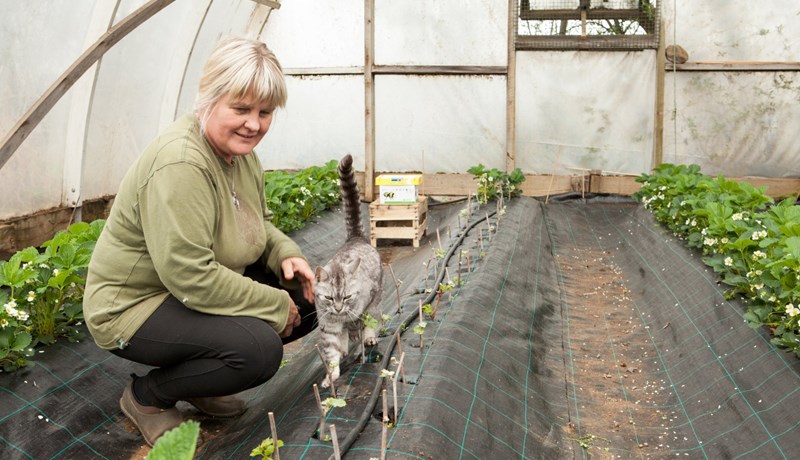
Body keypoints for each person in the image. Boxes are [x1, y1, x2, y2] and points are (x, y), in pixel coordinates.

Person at [83, 36, 317, 447]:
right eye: (241, 109)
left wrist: (286, 253)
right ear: (209, 99)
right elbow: (190, 276)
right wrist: (272, 304)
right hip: (135, 307)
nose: (254, 124)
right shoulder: (181, 163)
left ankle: (198, 378)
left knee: (307, 300)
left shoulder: (242, 155)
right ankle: (147, 398)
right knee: (258, 351)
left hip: (183, 293)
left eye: (265, 112)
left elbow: (258, 225)